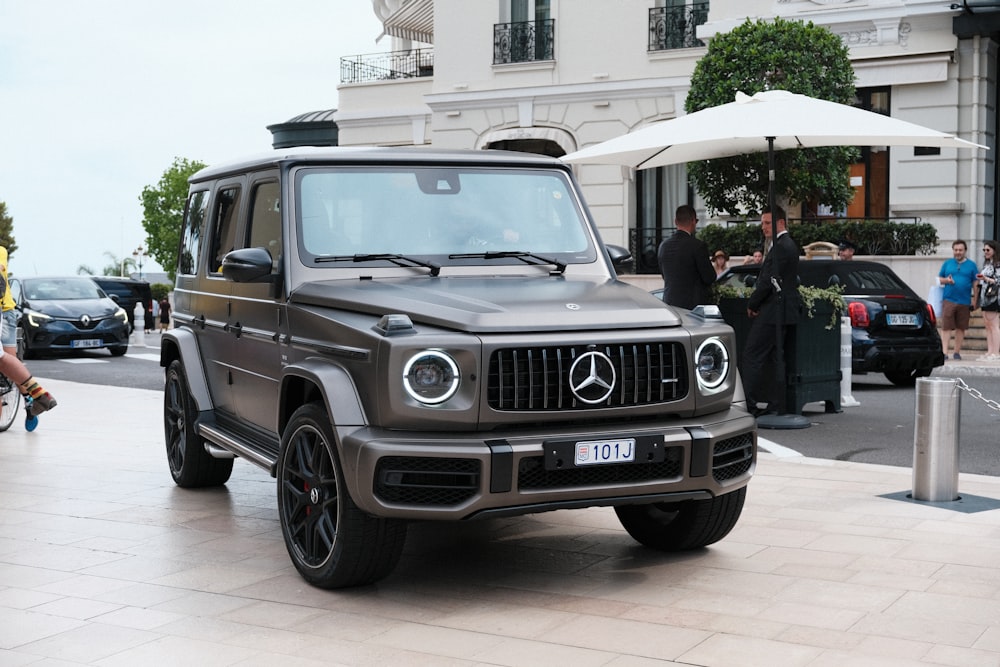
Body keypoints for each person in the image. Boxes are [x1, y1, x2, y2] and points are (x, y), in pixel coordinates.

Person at [741, 206, 802, 417]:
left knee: (752, 356)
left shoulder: (782, 247)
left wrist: (752, 304)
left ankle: (748, 404)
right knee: (776, 358)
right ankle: (776, 404)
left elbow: (768, 281)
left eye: (767, 223)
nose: (763, 227)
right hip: (779, 311)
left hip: (772, 312)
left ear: (781, 223)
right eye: (762, 223)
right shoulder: (785, 245)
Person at [0, 247, 56, 429]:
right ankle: (35, 396)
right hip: (4, 311)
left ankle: (31, 400)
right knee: (4, 360)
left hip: (5, 311)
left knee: (5, 361)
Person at [656, 205, 717, 310]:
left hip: (670, 303)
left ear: (675, 221)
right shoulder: (697, 246)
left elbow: (664, 275)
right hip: (693, 306)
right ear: (693, 221)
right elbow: (709, 277)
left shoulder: (663, 246)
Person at [937, 239, 979, 360]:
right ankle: (944, 352)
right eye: (956, 250)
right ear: (953, 251)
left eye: (960, 250)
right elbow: (939, 279)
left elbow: (976, 283)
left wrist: (975, 300)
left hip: (964, 301)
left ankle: (957, 352)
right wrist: (947, 281)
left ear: (965, 251)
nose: (958, 252)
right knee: (946, 327)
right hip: (949, 299)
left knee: (961, 327)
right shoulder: (947, 263)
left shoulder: (972, 265)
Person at [977, 240, 1000, 360]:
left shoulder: (997, 265)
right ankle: (990, 351)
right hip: (985, 297)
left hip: (994, 297)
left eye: (988, 250)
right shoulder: (987, 264)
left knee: (994, 325)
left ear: (994, 251)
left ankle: (996, 352)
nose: (985, 252)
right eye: (984, 250)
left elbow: (998, 281)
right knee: (988, 325)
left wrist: (986, 278)